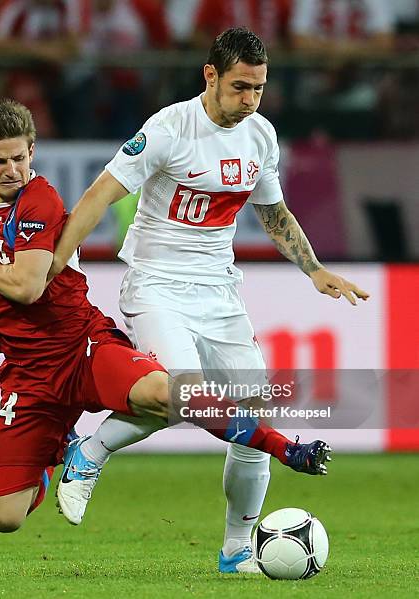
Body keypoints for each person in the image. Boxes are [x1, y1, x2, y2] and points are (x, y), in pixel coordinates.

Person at [0, 98, 331, 535]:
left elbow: (27, 286)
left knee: (169, 393)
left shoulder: (38, 200)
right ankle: (55, 450)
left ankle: (284, 449)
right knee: (5, 518)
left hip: (82, 347)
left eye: (20, 157)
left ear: (32, 152)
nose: (12, 170)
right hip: (28, 373)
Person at [50, 28, 366, 572]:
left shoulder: (260, 136)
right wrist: (54, 263)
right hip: (156, 285)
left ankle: (236, 552)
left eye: (259, 89)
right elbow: (101, 194)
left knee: (252, 415)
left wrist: (313, 268)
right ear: (210, 75)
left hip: (220, 292)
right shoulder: (169, 128)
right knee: (186, 396)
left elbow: (273, 211)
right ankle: (90, 452)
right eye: (240, 86)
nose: (249, 100)